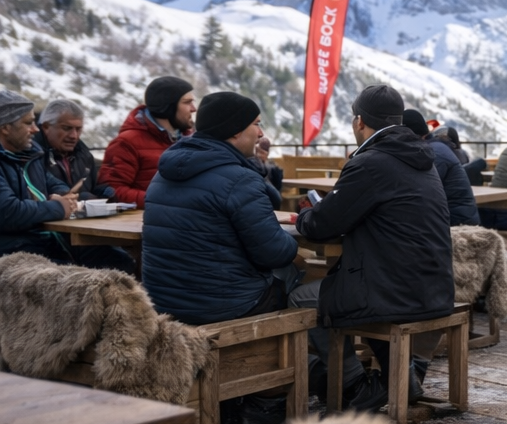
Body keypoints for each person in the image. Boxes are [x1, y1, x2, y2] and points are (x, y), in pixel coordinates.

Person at [292, 85, 454, 410]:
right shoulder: (422, 159)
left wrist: (305, 216)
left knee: (301, 299)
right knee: (356, 281)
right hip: (435, 284)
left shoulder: (370, 162)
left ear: (359, 121)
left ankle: (356, 385)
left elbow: (323, 225)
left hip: (395, 290)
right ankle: (402, 379)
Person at [142, 92, 300, 324]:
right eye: (256, 124)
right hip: (225, 307)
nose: (261, 133)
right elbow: (275, 253)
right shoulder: (239, 180)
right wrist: (295, 237)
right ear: (235, 130)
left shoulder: (162, 175)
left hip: (161, 305)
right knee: (301, 283)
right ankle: (313, 349)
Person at [0, 91, 135, 271]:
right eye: (28, 123)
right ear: (5, 127)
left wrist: (64, 195)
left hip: (48, 239)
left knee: (120, 261)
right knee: (84, 278)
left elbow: (53, 183)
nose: (35, 129)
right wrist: (59, 207)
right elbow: (9, 212)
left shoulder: (30, 155)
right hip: (15, 250)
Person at [99, 76, 196, 208]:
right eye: (187, 102)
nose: (193, 108)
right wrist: (163, 200)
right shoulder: (126, 142)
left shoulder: (191, 140)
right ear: (167, 107)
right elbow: (111, 191)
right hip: (145, 218)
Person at [404, 108, 478, 226]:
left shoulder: (433, 153)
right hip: (455, 216)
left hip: (457, 223)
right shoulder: (435, 148)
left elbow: (425, 189)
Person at [38, 98, 113, 200]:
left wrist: (103, 193)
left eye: (78, 129)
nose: (74, 136)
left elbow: (91, 188)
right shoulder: (31, 158)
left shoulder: (85, 156)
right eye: (66, 128)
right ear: (46, 127)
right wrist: (80, 199)